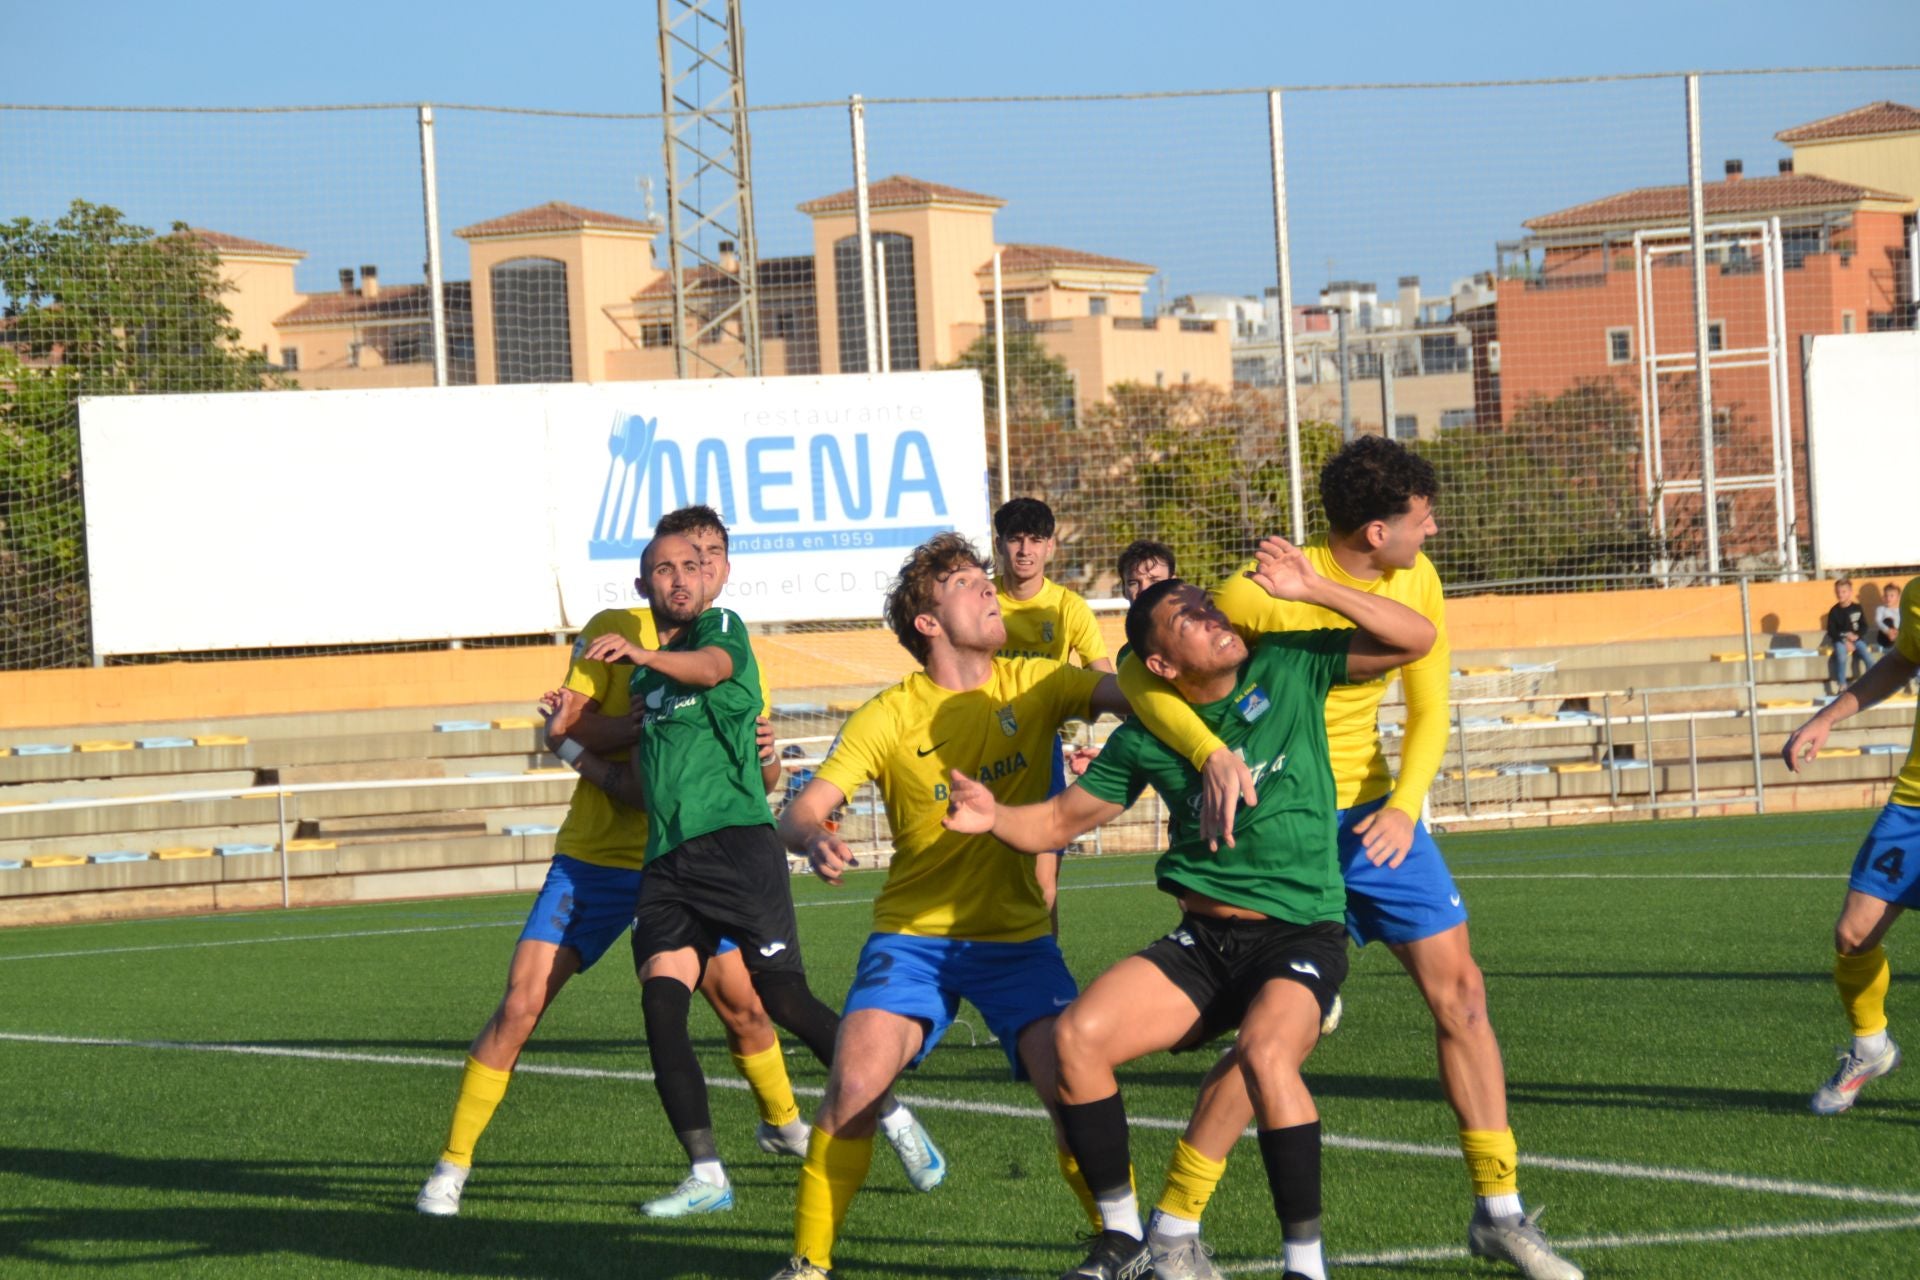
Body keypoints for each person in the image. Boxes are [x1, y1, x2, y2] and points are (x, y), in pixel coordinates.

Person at [1117, 437, 1582, 1280]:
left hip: (1375, 821)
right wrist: (1212, 753)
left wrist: (1405, 806)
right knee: (1272, 1045)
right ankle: (1174, 1227)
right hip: (1282, 833)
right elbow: (1136, 673)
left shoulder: (1414, 579)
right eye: (1420, 519)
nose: (1431, 529)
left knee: (1463, 994)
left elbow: (1430, 696)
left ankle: (1500, 1211)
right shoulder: (1248, 595)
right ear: (1375, 530)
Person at [947, 541, 1435, 1280]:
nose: (1214, 617)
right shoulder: (1149, 736)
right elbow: (1054, 825)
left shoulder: (1288, 664)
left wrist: (1313, 587)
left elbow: (1415, 639)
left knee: (1268, 1057)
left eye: (1207, 604)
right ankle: (1125, 1239)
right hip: (1203, 944)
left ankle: (1306, 1266)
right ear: (1164, 665)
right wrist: (993, 819)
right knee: (1076, 1038)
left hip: (1300, 934)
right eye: (1190, 619)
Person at [765, 533, 1173, 1280]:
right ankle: (809, 1266)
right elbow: (803, 809)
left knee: (1069, 1084)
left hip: (1017, 940)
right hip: (912, 937)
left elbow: (1132, 695)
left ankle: (1124, 1246)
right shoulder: (888, 715)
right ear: (927, 621)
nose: (988, 588)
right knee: (855, 1083)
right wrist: (810, 836)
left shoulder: (1037, 681)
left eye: (985, 578)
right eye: (964, 582)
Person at [413, 508, 805, 1218]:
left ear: (722, 568)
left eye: (710, 557)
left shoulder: (729, 642)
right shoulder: (611, 627)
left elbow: (759, 779)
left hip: (687, 858)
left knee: (745, 1007)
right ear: (654, 574)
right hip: (597, 855)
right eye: (679, 561)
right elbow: (571, 725)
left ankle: (783, 1125)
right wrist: (647, 720)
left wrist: (767, 754)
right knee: (522, 1001)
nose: (697, 570)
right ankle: (452, 1164)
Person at [575, 532, 928, 1218]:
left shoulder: (722, 631)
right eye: (661, 571)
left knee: (785, 1001)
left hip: (738, 851)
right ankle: (707, 1172)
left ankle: (893, 1115)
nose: (678, 578)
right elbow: (642, 783)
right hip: (668, 864)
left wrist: (647, 656)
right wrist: (569, 742)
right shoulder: (648, 684)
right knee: (660, 1006)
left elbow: (710, 670)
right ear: (643, 586)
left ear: (710, 577)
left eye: (690, 567)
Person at [1785, 575, 1920, 1114]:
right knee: (1852, 933)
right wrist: (1827, 718)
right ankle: (1870, 1046)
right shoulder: (1916, 594)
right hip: (1914, 803)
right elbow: (1904, 660)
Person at [995, 497, 1115, 913]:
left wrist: (1111, 741)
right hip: (978, 746)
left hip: (1040, 750)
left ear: (1050, 547)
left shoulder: (1068, 608)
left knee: (1043, 882)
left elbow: (1102, 678)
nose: (1025, 550)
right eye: (1015, 540)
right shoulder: (979, 600)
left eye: (1035, 540)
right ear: (1000, 545)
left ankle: (1044, 969)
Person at [1115, 540, 1177, 665]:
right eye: (1133, 583)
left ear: (1173, 585)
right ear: (1124, 590)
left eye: (1154, 581)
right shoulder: (1126, 658)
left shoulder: (1198, 639)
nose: (1144, 590)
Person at [1826, 576, 1869, 695]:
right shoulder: (1834, 611)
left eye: (1843, 592)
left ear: (1850, 592)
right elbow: (1831, 631)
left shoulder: (1857, 608)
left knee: (1867, 655)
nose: (1840, 595)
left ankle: (1874, 681)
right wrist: (1845, 640)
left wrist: (1856, 636)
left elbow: (1864, 626)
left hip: (1856, 639)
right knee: (1841, 655)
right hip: (1840, 640)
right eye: (1838, 592)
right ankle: (1842, 685)